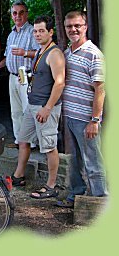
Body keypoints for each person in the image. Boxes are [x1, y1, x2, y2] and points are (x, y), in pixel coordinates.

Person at [56, 11, 107, 208]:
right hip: (70, 115)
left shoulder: (93, 54)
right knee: (75, 160)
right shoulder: (68, 52)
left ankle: (99, 202)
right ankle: (76, 196)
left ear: (85, 27)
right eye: (69, 26)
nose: (73, 29)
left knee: (93, 162)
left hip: (86, 119)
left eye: (77, 25)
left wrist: (95, 120)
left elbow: (100, 90)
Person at [11, 15, 65, 199]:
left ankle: (51, 185)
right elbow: (44, 76)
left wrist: (48, 107)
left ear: (51, 32)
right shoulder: (42, 51)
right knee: (23, 140)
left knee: (49, 146)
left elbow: (59, 83)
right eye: (35, 31)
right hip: (32, 105)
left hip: (44, 107)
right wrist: (29, 78)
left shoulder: (55, 53)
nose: (37, 34)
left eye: (41, 30)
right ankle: (18, 176)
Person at [0, 0, 39, 148]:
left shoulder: (33, 32)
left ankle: (32, 142)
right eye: (15, 13)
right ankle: (19, 140)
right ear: (11, 16)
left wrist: (25, 53)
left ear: (26, 14)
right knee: (15, 111)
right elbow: (8, 55)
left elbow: (41, 54)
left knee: (28, 111)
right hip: (13, 76)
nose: (18, 16)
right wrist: (0, 64)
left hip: (27, 76)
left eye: (21, 12)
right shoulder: (11, 34)